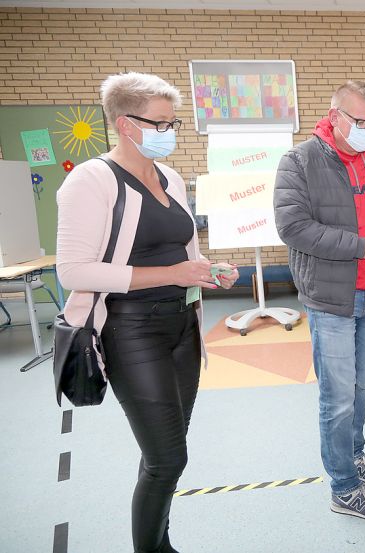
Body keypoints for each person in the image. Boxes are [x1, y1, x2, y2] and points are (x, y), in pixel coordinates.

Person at [56, 72, 239, 553]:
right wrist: (174, 273)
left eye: (171, 121)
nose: (169, 131)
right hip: (130, 330)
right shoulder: (91, 180)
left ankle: (161, 542)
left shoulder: (170, 177)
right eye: (160, 122)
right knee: (166, 458)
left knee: (168, 450)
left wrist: (206, 270)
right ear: (125, 124)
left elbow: (179, 251)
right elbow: (74, 271)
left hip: (182, 327)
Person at [274, 80, 365, 521]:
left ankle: (354, 454)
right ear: (334, 116)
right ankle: (344, 487)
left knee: (360, 387)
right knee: (337, 397)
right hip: (332, 296)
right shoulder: (299, 161)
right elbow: (294, 228)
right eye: (360, 121)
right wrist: (364, 246)